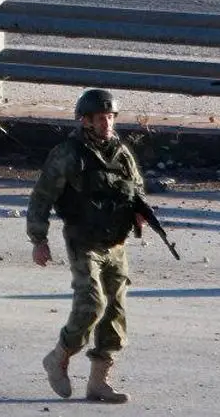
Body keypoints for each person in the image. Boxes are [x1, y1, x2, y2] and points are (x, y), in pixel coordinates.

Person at [27, 88, 145, 404]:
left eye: (110, 117)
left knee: (116, 313)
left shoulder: (120, 151)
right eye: (100, 119)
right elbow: (42, 197)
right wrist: (39, 239)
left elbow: (135, 187)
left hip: (115, 242)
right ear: (86, 121)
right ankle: (59, 356)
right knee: (92, 304)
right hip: (84, 241)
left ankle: (99, 382)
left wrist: (138, 211)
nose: (107, 124)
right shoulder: (69, 154)